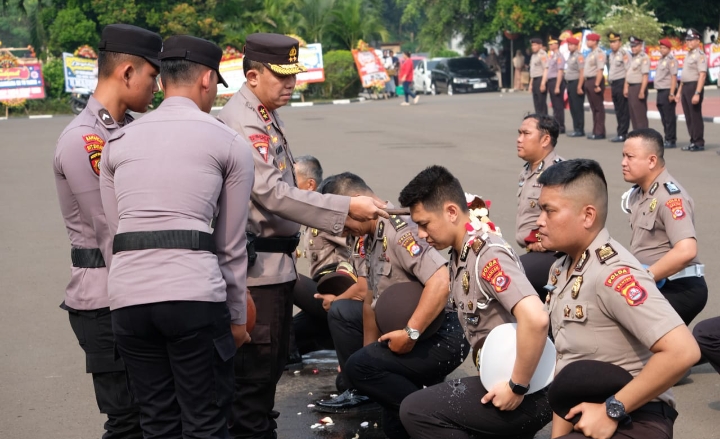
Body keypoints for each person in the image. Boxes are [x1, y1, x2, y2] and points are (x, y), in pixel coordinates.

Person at [216, 33, 387, 439]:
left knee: (265, 377)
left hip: (275, 267)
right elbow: (273, 194)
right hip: (257, 271)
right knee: (253, 382)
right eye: (282, 76)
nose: (291, 83)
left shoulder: (263, 114)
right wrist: (345, 208)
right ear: (253, 76)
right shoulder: (243, 121)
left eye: (293, 74)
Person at [99, 35, 254, 438]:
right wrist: (237, 317)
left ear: (164, 79)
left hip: (129, 300)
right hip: (193, 296)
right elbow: (230, 246)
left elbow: (115, 233)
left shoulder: (117, 141)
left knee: (157, 421)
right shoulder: (229, 143)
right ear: (206, 79)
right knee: (205, 421)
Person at [536, 159, 700, 439]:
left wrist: (612, 409)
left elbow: (683, 351)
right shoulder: (560, 269)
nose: (540, 220)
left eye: (549, 211)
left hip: (636, 417)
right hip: (588, 412)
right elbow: (566, 365)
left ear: (588, 216)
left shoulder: (614, 273)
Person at [52, 23, 162, 439]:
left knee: (155, 415)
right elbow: (109, 228)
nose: (157, 86)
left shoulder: (129, 130)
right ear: (127, 72)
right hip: (107, 301)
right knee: (129, 422)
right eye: (152, 75)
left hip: (134, 292)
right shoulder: (85, 140)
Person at [397, 165, 552, 439]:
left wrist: (517, 387)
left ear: (451, 212)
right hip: (500, 378)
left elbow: (537, 318)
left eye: (424, 224)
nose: (420, 234)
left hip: (528, 389)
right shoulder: (460, 253)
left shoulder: (488, 255)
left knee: (415, 411)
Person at [315, 173, 468, 439]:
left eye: (342, 219)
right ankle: (424, 404)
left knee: (370, 377)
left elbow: (440, 281)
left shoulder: (400, 232)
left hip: (442, 333)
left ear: (358, 203)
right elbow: (370, 301)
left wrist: (410, 333)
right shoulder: (366, 235)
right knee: (392, 422)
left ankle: (439, 417)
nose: (340, 230)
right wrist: (368, 357)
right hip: (414, 332)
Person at [620, 128, 707, 325]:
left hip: (678, 286)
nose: (623, 162)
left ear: (651, 161)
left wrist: (646, 277)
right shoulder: (638, 193)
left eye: (630, 157)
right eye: (623, 156)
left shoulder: (670, 197)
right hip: (657, 283)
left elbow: (686, 250)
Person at [290, 156, 353, 357]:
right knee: (288, 338)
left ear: (310, 185)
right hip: (318, 296)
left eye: (292, 181)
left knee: (285, 277)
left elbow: (359, 248)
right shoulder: (310, 214)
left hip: (338, 292)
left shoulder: (326, 215)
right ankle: (331, 336)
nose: (287, 187)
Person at [516, 114, 564, 302]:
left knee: (507, 277)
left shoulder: (558, 173)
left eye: (526, 133)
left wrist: (545, 241)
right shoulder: (528, 170)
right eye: (519, 133)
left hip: (555, 253)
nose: (519, 139)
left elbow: (566, 218)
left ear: (545, 140)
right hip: (534, 250)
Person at [677, 28, 707, 152]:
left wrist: (697, 93)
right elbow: (684, 75)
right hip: (686, 86)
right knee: (688, 116)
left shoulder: (700, 55)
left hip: (694, 86)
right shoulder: (688, 54)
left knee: (695, 115)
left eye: (691, 40)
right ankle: (693, 140)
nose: (688, 42)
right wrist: (679, 91)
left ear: (697, 41)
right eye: (687, 40)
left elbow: (702, 75)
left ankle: (698, 142)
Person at [655, 38, 678, 149]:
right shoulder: (661, 59)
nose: (662, 49)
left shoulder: (671, 60)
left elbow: (674, 77)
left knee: (669, 117)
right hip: (660, 90)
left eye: (664, 48)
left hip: (667, 90)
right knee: (664, 116)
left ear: (669, 49)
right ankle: (667, 137)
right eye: (661, 47)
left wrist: (672, 93)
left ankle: (671, 139)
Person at [607, 32, 630, 142]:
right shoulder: (611, 54)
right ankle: (620, 132)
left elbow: (628, 70)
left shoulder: (624, 54)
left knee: (623, 109)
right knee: (617, 109)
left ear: (620, 43)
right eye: (611, 42)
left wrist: (626, 86)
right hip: (614, 84)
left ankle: (623, 133)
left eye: (615, 42)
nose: (612, 44)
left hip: (621, 82)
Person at [624, 36, 650, 131]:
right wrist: (626, 87)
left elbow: (645, 76)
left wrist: (642, 91)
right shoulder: (633, 57)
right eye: (632, 46)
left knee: (640, 114)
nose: (633, 48)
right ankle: (636, 134)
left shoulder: (644, 58)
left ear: (640, 46)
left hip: (638, 87)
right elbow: (629, 73)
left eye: (635, 46)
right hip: (632, 87)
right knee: (633, 114)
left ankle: (643, 135)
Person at [584, 33, 606, 140]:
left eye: (589, 40)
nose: (587, 42)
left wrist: (597, 84)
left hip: (595, 81)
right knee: (593, 107)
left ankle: (599, 132)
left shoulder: (599, 53)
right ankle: (596, 130)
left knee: (598, 108)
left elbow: (600, 70)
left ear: (594, 41)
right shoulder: (590, 54)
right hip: (589, 80)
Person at [544, 36, 566, 133]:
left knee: (558, 106)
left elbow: (560, 72)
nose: (550, 46)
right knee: (554, 105)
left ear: (556, 45)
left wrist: (557, 86)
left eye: (552, 44)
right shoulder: (552, 56)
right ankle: (556, 124)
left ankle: (560, 126)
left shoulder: (559, 56)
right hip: (551, 81)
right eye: (549, 44)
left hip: (556, 81)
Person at [565, 37, 586, 137]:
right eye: (568, 45)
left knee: (578, 107)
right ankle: (576, 128)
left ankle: (580, 129)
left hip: (576, 82)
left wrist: (579, 86)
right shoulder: (570, 55)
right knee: (572, 107)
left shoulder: (579, 56)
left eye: (571, 45)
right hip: (570, 83)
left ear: (576, 45)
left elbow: (582, 71)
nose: (569, 46)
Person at [529, 37, 548, 114]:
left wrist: (543, 83)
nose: (533, 47)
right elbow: (532, 71)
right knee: (536, 102)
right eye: (532, 45)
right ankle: (538, 118)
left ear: (540, 45)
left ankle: (544, 119)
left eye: (535, 45)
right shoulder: (533, 55)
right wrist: (531, 84)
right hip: (535, 79)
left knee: (541, 103)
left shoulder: (542, 55)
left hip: (540, 79)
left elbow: (546, 69)